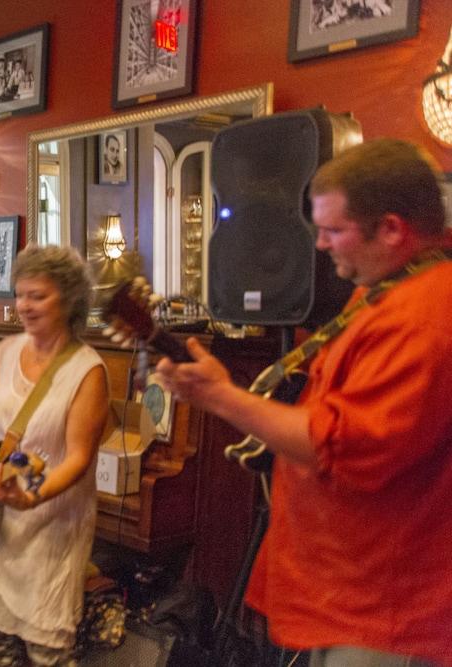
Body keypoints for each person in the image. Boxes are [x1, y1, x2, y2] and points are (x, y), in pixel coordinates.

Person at [151, 139, 452, 666]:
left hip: (389, 607)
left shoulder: (424, 317)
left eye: (334, 230)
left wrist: (219, 396)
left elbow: (335, 442)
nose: (319, 245)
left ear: (392, 229)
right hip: (349, 588)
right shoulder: (387, 288)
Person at [0, 245, 109, 666]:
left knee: (47, 650)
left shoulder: (86, 371)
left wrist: (32, 496)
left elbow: (78, 458)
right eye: (20, 294)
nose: (24, 306)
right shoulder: (7, 350)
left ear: (69, 299)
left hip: (51, 530)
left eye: (38, 296)